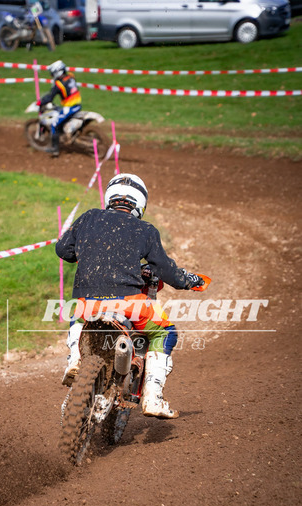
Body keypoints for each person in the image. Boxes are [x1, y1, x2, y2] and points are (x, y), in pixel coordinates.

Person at [55, 173, 206, 419]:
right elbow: (166, 270)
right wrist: (189, 280)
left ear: (109, 197)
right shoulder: (145, 229)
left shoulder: (89, 217)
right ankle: (153, 397)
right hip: (129, 305)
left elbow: (63, 250)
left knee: (79, 317)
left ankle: (75, 361)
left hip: (87, 303)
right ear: (141, 203)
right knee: (165, 332)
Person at [38, 60, 82, 157]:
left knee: (54, 124)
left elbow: (50, 97)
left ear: (57, 72)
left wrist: (40, 102)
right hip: (78, 105)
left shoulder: (59, 84)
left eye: (52, 73)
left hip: (70, 107)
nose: (51, 75)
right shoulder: (71, 76)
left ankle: (55, 149)